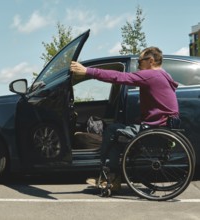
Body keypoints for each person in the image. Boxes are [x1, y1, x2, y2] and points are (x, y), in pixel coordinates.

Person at [70, 47, 180, 191]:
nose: (138, 66)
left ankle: (109, 176)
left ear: (151, 61)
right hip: (161, 126)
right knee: (118, 132)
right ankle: (112, 178)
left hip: (154, 129)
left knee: (112, 131)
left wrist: (88, 71)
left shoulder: (151, 75)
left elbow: (119, 77)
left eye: (140, 62)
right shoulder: (163, 75)